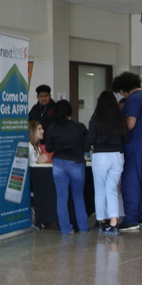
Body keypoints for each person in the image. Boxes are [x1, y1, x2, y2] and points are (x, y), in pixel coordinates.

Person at [112, 71, 142, 231]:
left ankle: (131, 219)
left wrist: (115, 124)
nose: (121, 95)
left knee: (130, 184)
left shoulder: (133, 99)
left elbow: (130, 124)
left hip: (134, 148)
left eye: (121, 92)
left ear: (124, 89)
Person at [45, 100, 90, 235]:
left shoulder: (53, 128)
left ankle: (65, 229)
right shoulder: (80, 127)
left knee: (61, 197)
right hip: (76, 163)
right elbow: (86, 147)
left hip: (59, 164)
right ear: (70, 111)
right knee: (78, 196)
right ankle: (83, 227)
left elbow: (49, 148)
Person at [88, 90, 127, 235]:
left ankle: (101, 222)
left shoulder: (96, 118)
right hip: (117, 156)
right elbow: (126, 138)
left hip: (100, 156)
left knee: (100, 190)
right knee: (112, 190)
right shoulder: (120, 118)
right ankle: (114, 223)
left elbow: (90, 139)